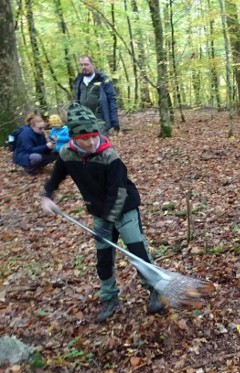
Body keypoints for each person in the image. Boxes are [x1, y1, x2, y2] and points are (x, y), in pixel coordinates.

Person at [41, 103, 163, 323]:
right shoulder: (67, 154)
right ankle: (109, 298)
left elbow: (118, 192)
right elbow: (56, 176)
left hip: (124, 209)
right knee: (104, 258)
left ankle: (153, 289)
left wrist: (106, 222)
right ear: (73, 137)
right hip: (99, 211)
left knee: (137, 253)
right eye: (84, 138)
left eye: (93, 136)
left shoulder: (109, 155)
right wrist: (47, 195)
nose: (90, 142)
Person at [73, 55, 120, 136]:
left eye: (86, 64)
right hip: (84, 120)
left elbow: (112, 99)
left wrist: (114, 119)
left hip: (100, 120)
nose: (84, 67)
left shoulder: (103, 79)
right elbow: (76, 99)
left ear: (92, 64)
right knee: (87, 146)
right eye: (81, 65)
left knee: (101, 145)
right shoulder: (78, 80)